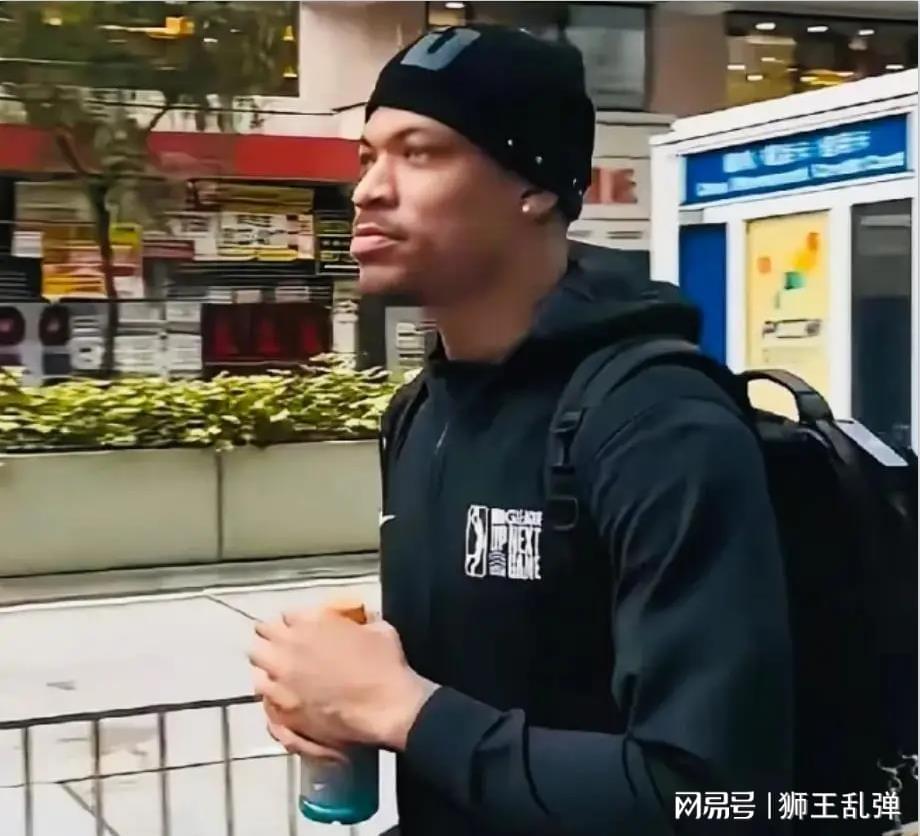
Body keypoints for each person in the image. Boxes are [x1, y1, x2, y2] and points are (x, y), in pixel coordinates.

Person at [249, 25, 792, 835]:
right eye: (367, 156)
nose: (367, 190)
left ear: (534, 185)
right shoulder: (419, 411)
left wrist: (402, 710)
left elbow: (712, 795)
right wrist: (342, 699)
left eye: (419, 153)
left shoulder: (659, 423)